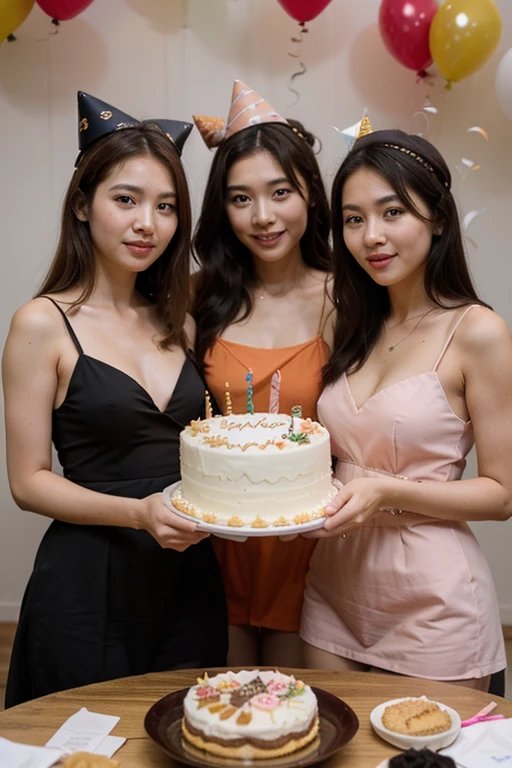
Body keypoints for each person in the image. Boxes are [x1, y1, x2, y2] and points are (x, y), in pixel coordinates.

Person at [3, 92, 227, 708]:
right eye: (125, 199)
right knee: (89, 745)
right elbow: (27, 482)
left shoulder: (177, 318)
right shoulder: (42, 324)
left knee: (192, 736)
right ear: (82, 204)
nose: (145, 224)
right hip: (87, 583)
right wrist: (138, 514)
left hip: (189, 578)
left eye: (165, 207)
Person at [301, 124, 510, 690]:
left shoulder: (478, 332)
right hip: (332, 588)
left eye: (392, 212)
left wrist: (387, 491)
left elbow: (501, 494)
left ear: (437, 218)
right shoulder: (349, 323)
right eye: (353, 218)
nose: (372, 235)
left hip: (432, 601)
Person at [192, 81, 334, 666]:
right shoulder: (198, 300)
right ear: (222, 208)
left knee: (298, 721)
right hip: (208, 545)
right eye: (241, 198)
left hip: (312, 550)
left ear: (310, 194)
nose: (264, 216)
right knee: (220, 714)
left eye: (280, 192)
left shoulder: (348, 301)